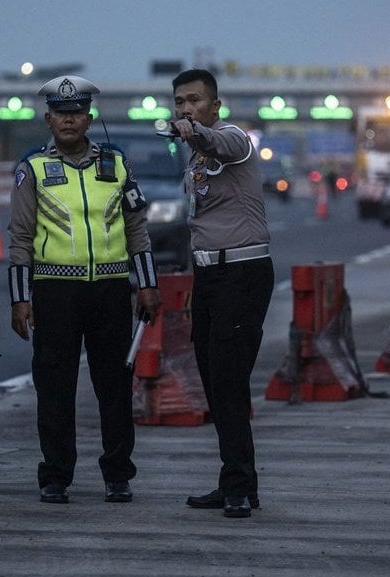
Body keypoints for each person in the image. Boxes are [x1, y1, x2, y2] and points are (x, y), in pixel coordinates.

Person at [7, 75, 161, 505]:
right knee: (55, 387)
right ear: (48, 118)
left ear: (89, 118)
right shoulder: (32, 168)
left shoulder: (117, 164)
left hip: (111, 290)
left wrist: (146, 285)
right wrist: (20, 298)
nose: (69, 120)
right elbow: (19, 237)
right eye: (61, 113)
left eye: (76, 113)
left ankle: (118, 475)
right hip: (54, 292)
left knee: (114, 385)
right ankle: (55, 476)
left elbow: (137, 230)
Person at [167, 69, 274, 518]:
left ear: (216, 105)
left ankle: (237, 488)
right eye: (179, 102)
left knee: (228, 381)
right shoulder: (193, 159)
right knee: (216, 382)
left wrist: (199, 134)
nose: (186, 108)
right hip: (209, 278)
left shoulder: (232, 140)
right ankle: (239, 481)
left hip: (242, 273)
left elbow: (224, 145)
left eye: (194, 100)